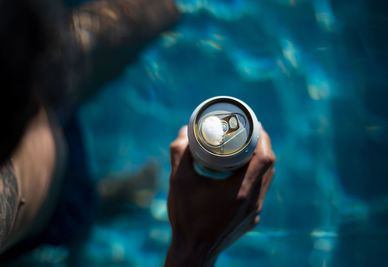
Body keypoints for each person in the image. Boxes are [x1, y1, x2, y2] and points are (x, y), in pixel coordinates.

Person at [0, 0, 276, 265]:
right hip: (43, 203)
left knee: (157, 10)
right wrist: (193, 248)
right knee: (76, 224)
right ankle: (103, 205)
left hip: (32, 84)